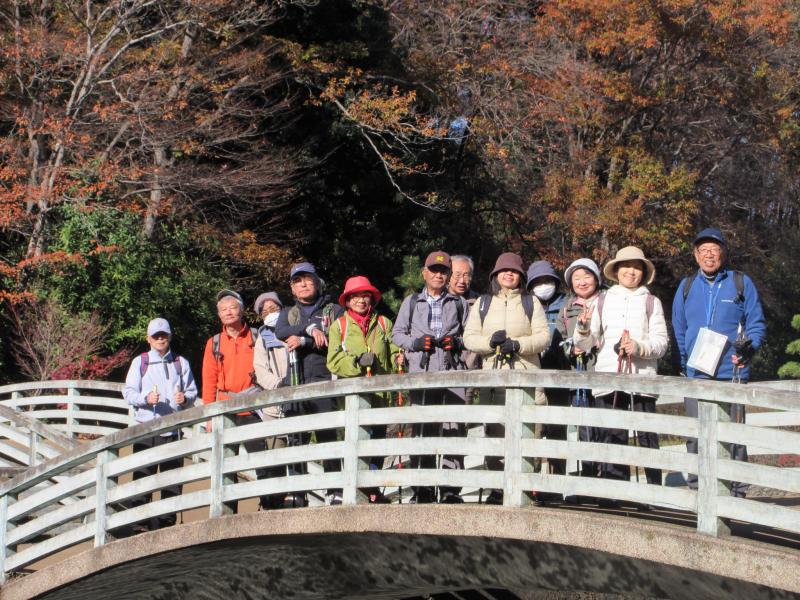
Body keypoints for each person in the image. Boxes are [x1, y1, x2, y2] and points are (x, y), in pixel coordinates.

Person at [671, 227, 766, 498]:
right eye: (703, 250)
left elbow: (756, 323)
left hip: (731, 371)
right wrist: (682, 363)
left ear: (723, 253)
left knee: (733, 436)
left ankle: (736, 494)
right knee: (695, 435)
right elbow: (678, 326)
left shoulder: (740, 282)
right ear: (696, 255)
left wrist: (750, 348)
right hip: (696, 373)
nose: (709, 255)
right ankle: (698, 493)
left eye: (714, 249)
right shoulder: (686, 286)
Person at [573, 247, 668, 489]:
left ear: (643, 272)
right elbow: (586, 342)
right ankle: (615, 491)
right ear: (616, 270)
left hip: (642, 378)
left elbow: (661, 344)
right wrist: (582, 327)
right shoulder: (603, 301)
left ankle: (652, 492)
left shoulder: (651, 302)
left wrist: (638, 347)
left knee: (647, 437)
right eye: (626, 266)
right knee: (612, 435)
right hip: (608, 377)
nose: (631, 271)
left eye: (637, 267)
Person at [463, 252, 550, 505]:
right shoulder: (483, 302)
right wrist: (490, 343)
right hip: (494, 377)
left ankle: (527, 487)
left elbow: (544, 337)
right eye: (504, 271)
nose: (509, 274)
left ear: (521, 276)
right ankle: (498, 488)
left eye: (514, 271)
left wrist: (519, 345)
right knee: (496, 433)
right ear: (495, 276)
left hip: (527, 374)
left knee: (529, 433)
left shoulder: (530, 302)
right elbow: (469, 337)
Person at [392, 250, 468, 504]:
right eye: (433, 270)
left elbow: (470, 337)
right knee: (422, 429)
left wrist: (456, 342)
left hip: (451, 372)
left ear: (448, 276)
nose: (438, 275)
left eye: (443, 271)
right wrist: (415, 343)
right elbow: (397, 334)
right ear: (424, 273)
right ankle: (422, 488)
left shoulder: (458, 303)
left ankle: (450, 488)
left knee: (453, 428)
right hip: (421, 373)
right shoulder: (411, 302)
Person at [326, 276, 402, 503]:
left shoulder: (383, 323)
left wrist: (399, 355)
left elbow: (394, 347)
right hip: (352, 396)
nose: (360, 300)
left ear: (371, 298)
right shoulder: (338, 326)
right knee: (355, 440)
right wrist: (357, 362)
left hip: (379, 394)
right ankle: (355, 490)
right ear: (347, 301)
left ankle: (373, 488)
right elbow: (333, 360)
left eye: (365, 295)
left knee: (378, 441)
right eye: (355, 296)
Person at [275, 262, 344, 505]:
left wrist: (303, 341)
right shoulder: (287, 313)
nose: (303, 284)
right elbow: (280, 331)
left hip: (324, 381)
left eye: (307, 279)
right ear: (292, 289)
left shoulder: (335, 311)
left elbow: (334, 342)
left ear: (317, 282)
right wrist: (310, 328)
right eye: (297, 281)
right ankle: (297, 491)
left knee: (327, 437)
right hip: (295, 382)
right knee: (297, 438)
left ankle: (334, 490)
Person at [123, 318, 197, 531]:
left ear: (170, 336)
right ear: (149, 339)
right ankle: (140, 523)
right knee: (142, 477)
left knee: (171, 479)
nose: (160, 339)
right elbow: (128, 392)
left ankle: (167, 524)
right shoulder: (140, 362)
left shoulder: (180, 363)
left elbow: (192, 392)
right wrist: (146, 398)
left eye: (163, 335)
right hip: (146, 428)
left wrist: (186, 398)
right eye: (156, 336)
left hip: (172, 430)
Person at [201, 289, 260, 513]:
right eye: (223, 309)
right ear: (218, 315)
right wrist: (209, 415)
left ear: (242, 311)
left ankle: (270, 505)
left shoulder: (256, 336)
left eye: (233, 308)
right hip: (225, 410)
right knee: (226, 463)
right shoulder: (214, 343)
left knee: (262, 460)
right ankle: (227, 511)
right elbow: (209, 380)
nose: (228, 312)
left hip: (255, 408)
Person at [557, 258, 604, 483]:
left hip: (603, 372)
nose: (582, 282)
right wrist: (571, 349)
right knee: (584, 425)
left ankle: (607, 478)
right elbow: (561, 340)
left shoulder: (607, 302)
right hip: (578, 372)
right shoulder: (566, 309)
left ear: (596, 278)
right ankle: (588, 478)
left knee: (604, 426)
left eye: (587, 276)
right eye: (577, 278)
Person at [527, 260, 569, 477]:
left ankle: (556, 483)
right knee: (532, 431)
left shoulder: (567, 304)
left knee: (557, 432)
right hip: (533, 376)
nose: (543, 285)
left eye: (547, 280)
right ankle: (531, 483)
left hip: (561, 376)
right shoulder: (525, 306)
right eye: (538, 281)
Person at [252, 291, 294, 509]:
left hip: (298, 402)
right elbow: (259, 370)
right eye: (265, 311)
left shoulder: (294, 326)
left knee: (298, 451)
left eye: (274, 309)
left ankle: (299, 497)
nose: (270, 313)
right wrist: (278, 384)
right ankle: (274, 503)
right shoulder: (262, 338)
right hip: (273, 407)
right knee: (276, 454)